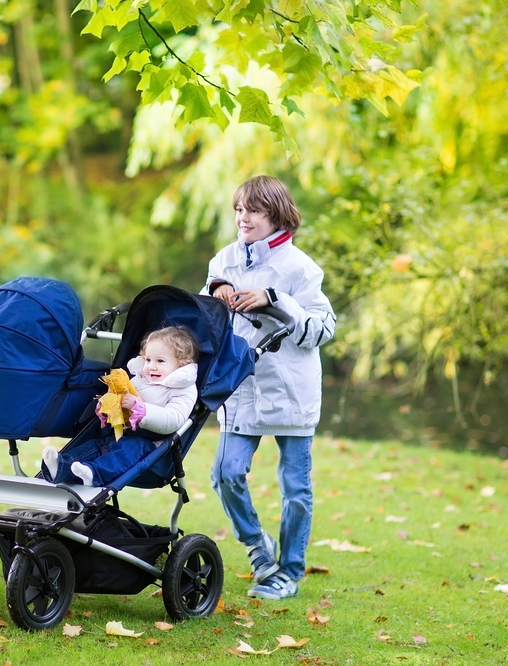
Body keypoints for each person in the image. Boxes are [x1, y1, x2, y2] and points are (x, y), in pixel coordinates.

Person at [204, 175, 336, 601]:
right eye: (239, 209)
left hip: (291, 390)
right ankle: (260, 550)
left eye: (253, 210)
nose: (243, 218)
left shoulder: (301, 268)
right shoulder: (223, 259)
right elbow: (203, 315)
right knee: (226, 473)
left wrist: (273, 299)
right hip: (240, 389)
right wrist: (217, 290)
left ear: (275, 214)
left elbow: (322, 329)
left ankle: (289, 573)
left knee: (295, 488)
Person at [41, 326, 199, 487]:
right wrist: (108, 407)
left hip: (149, 443)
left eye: (160, 361)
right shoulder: (140, 379)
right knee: (95, 445)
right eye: (148, 359)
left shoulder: (183, 388)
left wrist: (140, 409)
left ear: (181, 364)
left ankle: (95, 473)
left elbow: (173, 419)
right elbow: (121, 400)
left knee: (127, 450)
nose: (151, 366)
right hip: (120, 433)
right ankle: (62, 466)